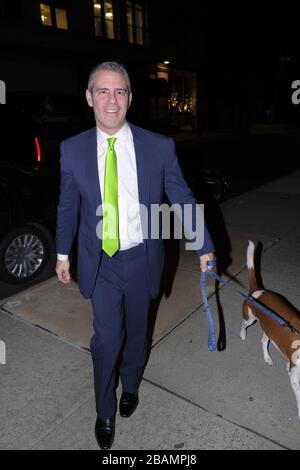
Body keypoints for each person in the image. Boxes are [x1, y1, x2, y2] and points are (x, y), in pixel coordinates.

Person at [55, 61, 215, 450]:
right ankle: (105, 409)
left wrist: (204, 244)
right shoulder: (72, 149)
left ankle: (131, 385)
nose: (112, 100)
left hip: (143, 259)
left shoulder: (158, 147)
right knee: (107, 339)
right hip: (102, 262)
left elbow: (181, 197)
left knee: (138, 334)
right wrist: (62, 253)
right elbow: (67, 204)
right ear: (90, 98)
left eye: (120, 91)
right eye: (104, 91)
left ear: (129, 98)